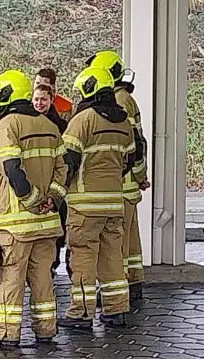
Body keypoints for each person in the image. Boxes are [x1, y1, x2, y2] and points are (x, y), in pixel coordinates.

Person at [0, 70, 68, 346]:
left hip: (17, 222)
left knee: (11, 278)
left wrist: (32, 199)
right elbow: (62, 169)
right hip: (47, 222)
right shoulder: (50, 126)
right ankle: (46, 329)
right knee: (42, 279)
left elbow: (11, 169)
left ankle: (7, 332)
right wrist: (52, 200)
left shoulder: (7, 125)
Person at [60, 66, 135, 330]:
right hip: (114, 202)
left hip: (84, 205)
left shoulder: (83, 120)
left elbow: (67, 161)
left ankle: (81, 312)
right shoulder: (124, 121)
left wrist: (59, 190)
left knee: (82, 257)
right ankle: (116, 310)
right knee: (113, 256)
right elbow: (130, 159)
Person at [87, 50, 150, 303]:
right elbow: (139, 143)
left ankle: (118, 287)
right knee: (130, 238)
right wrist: (140, 174)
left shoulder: (118, 102)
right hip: (127, 184)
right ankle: (132, 281)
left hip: (118, 184)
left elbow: (132, 144)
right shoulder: (125, 98)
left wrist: (135, 172)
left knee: (118, 243)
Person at [33, 83, 70, 276]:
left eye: (43, 99)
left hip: (54, 184)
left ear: (51, 100)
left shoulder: (61, 126)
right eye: (37, 99)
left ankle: (52, 264)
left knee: (56, 227)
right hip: (34, 183)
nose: (40, 103)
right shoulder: (27, 122)